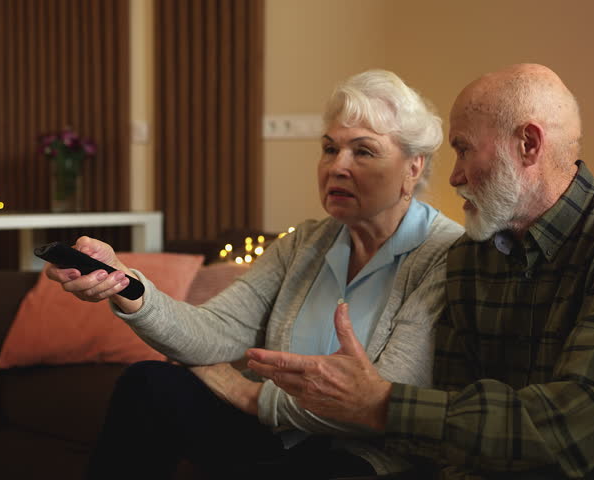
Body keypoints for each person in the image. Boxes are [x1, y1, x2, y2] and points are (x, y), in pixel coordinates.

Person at [246, 63, 594, 479]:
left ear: (528, 144)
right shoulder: (472, 255)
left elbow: (574, 425)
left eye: (463, 150)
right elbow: (451, 430)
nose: (453, 176)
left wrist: (380, 402)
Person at [45, 69, 464, 479]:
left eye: (364, 151)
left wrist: (249, 395)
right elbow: (214, 328)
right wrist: (125, 283)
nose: (337, 166)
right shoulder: (306, 242)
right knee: (149, 385)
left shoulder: (443, 255)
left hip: (363, 456)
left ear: (413, 167)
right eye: (329, 148)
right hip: (276, 437)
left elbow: (386, 402)